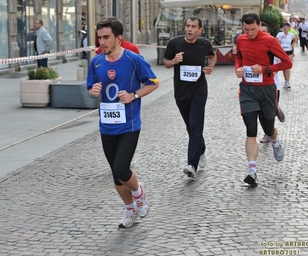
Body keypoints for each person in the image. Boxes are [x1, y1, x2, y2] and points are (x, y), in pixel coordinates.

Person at [87, 17, 159, 228]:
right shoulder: (96, 62)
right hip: (106, 126)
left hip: (129, 125)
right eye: (99, 38)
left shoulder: (134, 59)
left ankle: (139, 192)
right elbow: (91, 91)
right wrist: (94, 92)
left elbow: (153, 83)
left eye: (106, 37)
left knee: (121, 168)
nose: (102, 42)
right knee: (116, 176)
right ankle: (130, 210)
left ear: (119, 38)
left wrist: (134, 95)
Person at [235, 12, 292, 185]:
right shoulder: (241, 39)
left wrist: (266, 69)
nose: (250, 33)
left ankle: (275, 140)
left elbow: (287, 63)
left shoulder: (269, 41)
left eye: (253, 29)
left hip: (267, 89)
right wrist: (238, 68)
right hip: (247, 90)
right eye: (246, 29)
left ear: (259, 25)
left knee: (268, 127)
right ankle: (252, 170)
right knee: (250, 129)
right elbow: (238, 57)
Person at [163, 16, 217, 178]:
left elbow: (212, 55)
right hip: (181, 92)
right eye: (187, 26)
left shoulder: (204, 44)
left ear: (199, 30)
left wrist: (210, 66)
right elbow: (165, 62)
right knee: (190, 126)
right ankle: (200, 150)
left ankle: (191, 164)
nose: (189, 29)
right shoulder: (174, 43)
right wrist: (174, 60)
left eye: (193, 26)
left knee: (195, 124)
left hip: (199, 90)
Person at [276, 22, 297, 89]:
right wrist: (280, 39)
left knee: (287, 67)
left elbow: (295, 39)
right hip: (281, 51)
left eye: (286, 27)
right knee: (279, 66)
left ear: (289, 28)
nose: (285, 28)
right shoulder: (280, 34)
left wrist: (293, 44)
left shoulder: (291, 34)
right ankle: (275, 80)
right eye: (284, 27)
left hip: (289, 51)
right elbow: (275, 41)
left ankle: (287, 82)